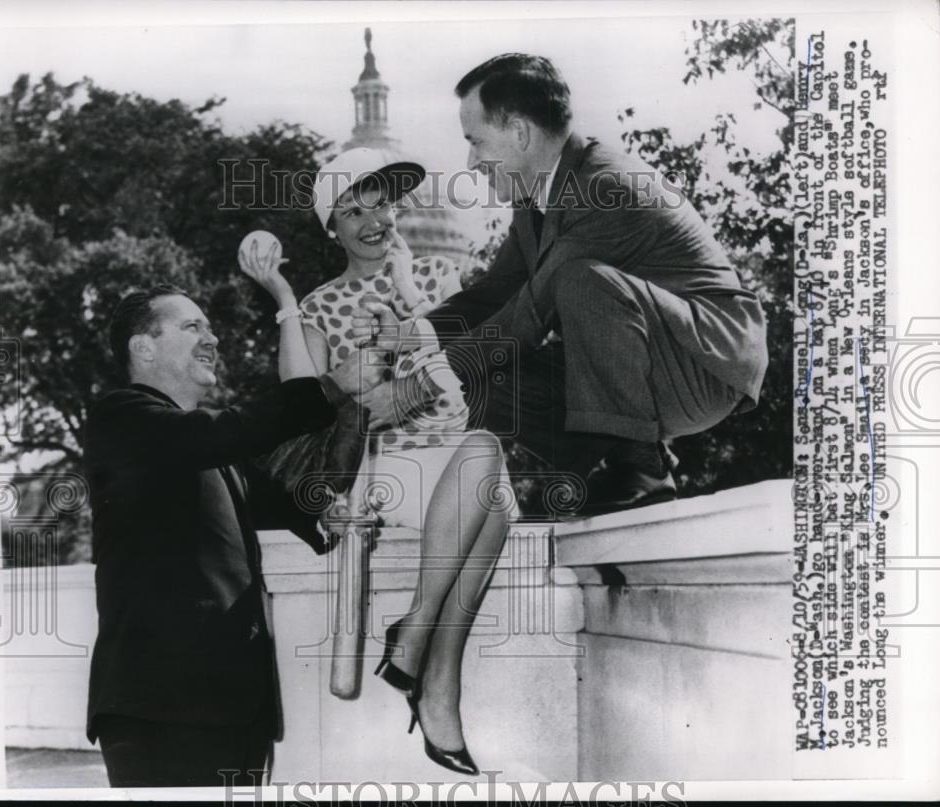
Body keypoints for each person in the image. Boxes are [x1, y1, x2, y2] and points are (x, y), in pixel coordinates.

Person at [357, 53, 769, 517]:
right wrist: (412, 335)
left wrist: (413, 390)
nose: (470, 162)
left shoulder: (604, 186)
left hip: (702, 362)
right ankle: (604, 467)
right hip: (643, 359)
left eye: (476, 142)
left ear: (519, 132)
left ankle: (642, 468)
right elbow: (496, 292)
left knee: (578, 282)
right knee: (483, 382)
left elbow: (525, 318)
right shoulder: (535, 194)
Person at [83, 272, 384, 787]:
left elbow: (291, 498)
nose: (213, 338)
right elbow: (226, 433)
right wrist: (334, 385)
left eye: (210, 327)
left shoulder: (217, 454)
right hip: (162, 705)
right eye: (191, 326)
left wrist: (327, 513)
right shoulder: (122, 418)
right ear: (144, 348)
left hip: (236, 707)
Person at [292, 147, 517, 775]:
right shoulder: (317, 308)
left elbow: (464, 381)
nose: (374, 221)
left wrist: (413, 298)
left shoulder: (436, 284)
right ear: (331, 227)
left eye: (382, 204)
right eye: (351, 211)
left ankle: (422, 652)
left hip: (450, 453)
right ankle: (429, 664)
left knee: (487, 469)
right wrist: (378, 382)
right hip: (380, 468)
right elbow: (312, 408)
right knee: (490, 475)